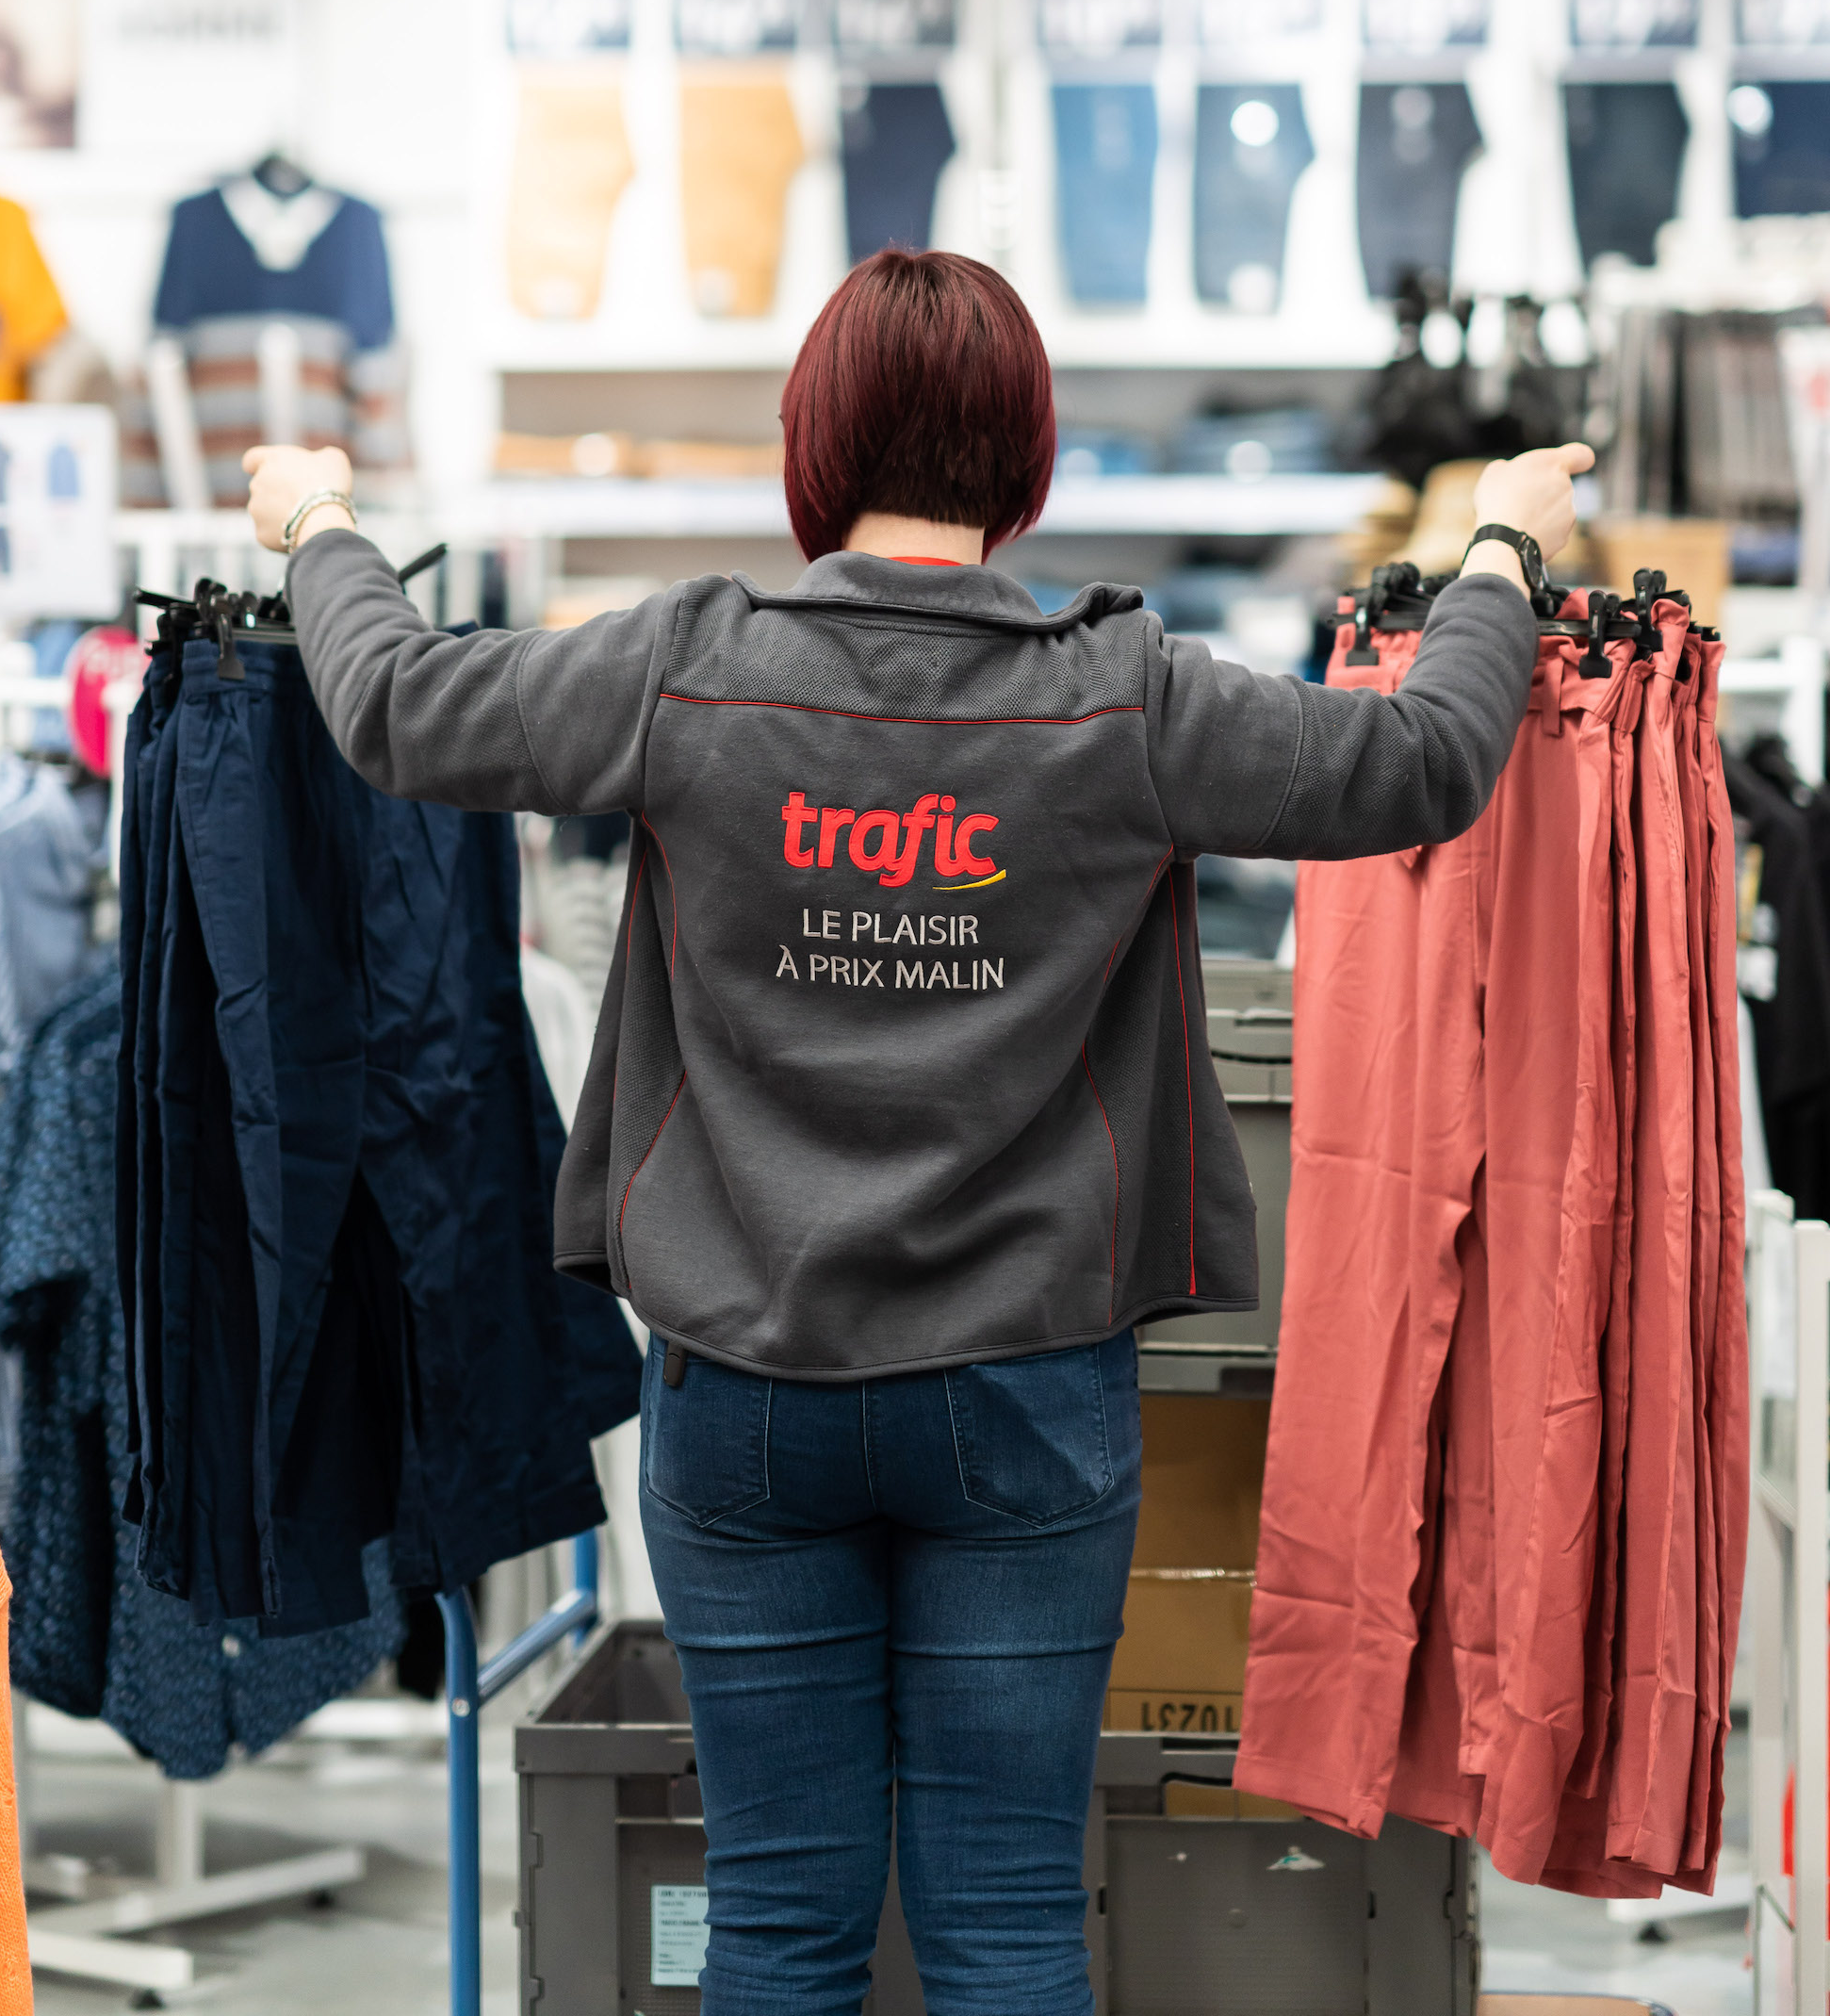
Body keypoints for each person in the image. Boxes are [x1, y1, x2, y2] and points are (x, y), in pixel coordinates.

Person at [245, 247, 1588, 2016]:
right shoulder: (1126, 690)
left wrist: (320, 523)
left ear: (813, 439)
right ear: (1024, 452)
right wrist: (1497, 551)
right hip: (1026, 1385)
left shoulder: (686, 667)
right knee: (1010, 1923)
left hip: (744, 1383)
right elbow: (1420, 761)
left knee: (778, 1928)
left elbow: (394, 704)